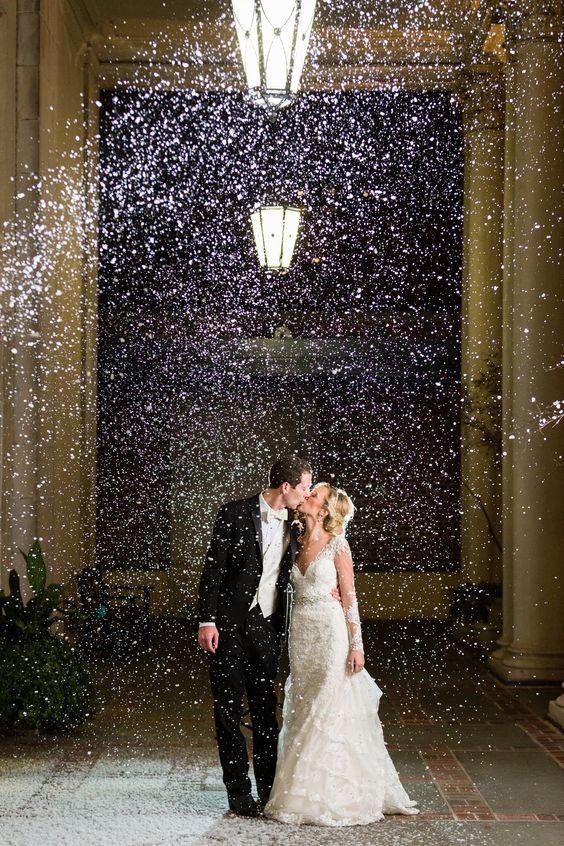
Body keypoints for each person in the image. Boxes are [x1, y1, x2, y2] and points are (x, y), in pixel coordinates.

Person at [264, 483, 420, 826]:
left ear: (324, 510)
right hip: (302, 635)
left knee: (327, 704)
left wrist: (356, 645)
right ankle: (299, 787)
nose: (307, 497)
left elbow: (349, 599)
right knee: (305, 704)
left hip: (332, 634)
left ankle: (331, 792)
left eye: (314, 495)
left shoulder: (338, 545)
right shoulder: (295, 540)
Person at [196, 456, 313, 817]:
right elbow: (213, 569)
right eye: (304, 487)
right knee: (227, 711)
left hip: (266, 626)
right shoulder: (233, 514)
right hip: (228, 627)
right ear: (286, 487)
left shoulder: (297, 524)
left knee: (265, 712)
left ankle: (267, 788)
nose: (307, 494)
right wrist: (207, 620)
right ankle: (237, 790)